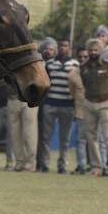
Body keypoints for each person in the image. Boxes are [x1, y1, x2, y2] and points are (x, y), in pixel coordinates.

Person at [72, 37, 108, 178]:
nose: (93, 52)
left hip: (106, 104)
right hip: (89, 104)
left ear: (100, 51)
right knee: (91, 137)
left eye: (96, 50)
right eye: (91, 50)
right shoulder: (83, 68)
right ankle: (96, 167)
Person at [42, 38, 79, 174]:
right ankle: (45, 164)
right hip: (50, 103)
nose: (63, 48)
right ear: (58, 48)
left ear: (70, 48)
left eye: (66, 46)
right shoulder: (50, 63)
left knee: (65, 138)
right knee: (46, 136)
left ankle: (62, 165)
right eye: (61, 45)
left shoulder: (75, 64)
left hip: (68, 105)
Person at [35, 37, 58, 172]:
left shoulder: (56, 65)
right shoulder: (39, 64)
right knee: (37, 135)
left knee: (45, 136)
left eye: (51, 49)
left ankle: (43, 162)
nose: (48, 51)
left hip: (49, 103)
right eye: (46, 49)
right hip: (38, 103)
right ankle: (38, 161)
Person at [6, 84, 38, 172]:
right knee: (15, 135)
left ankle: (30, 164)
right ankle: (19, 163)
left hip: (29, 99)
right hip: (13, 98)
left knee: (29, 133)